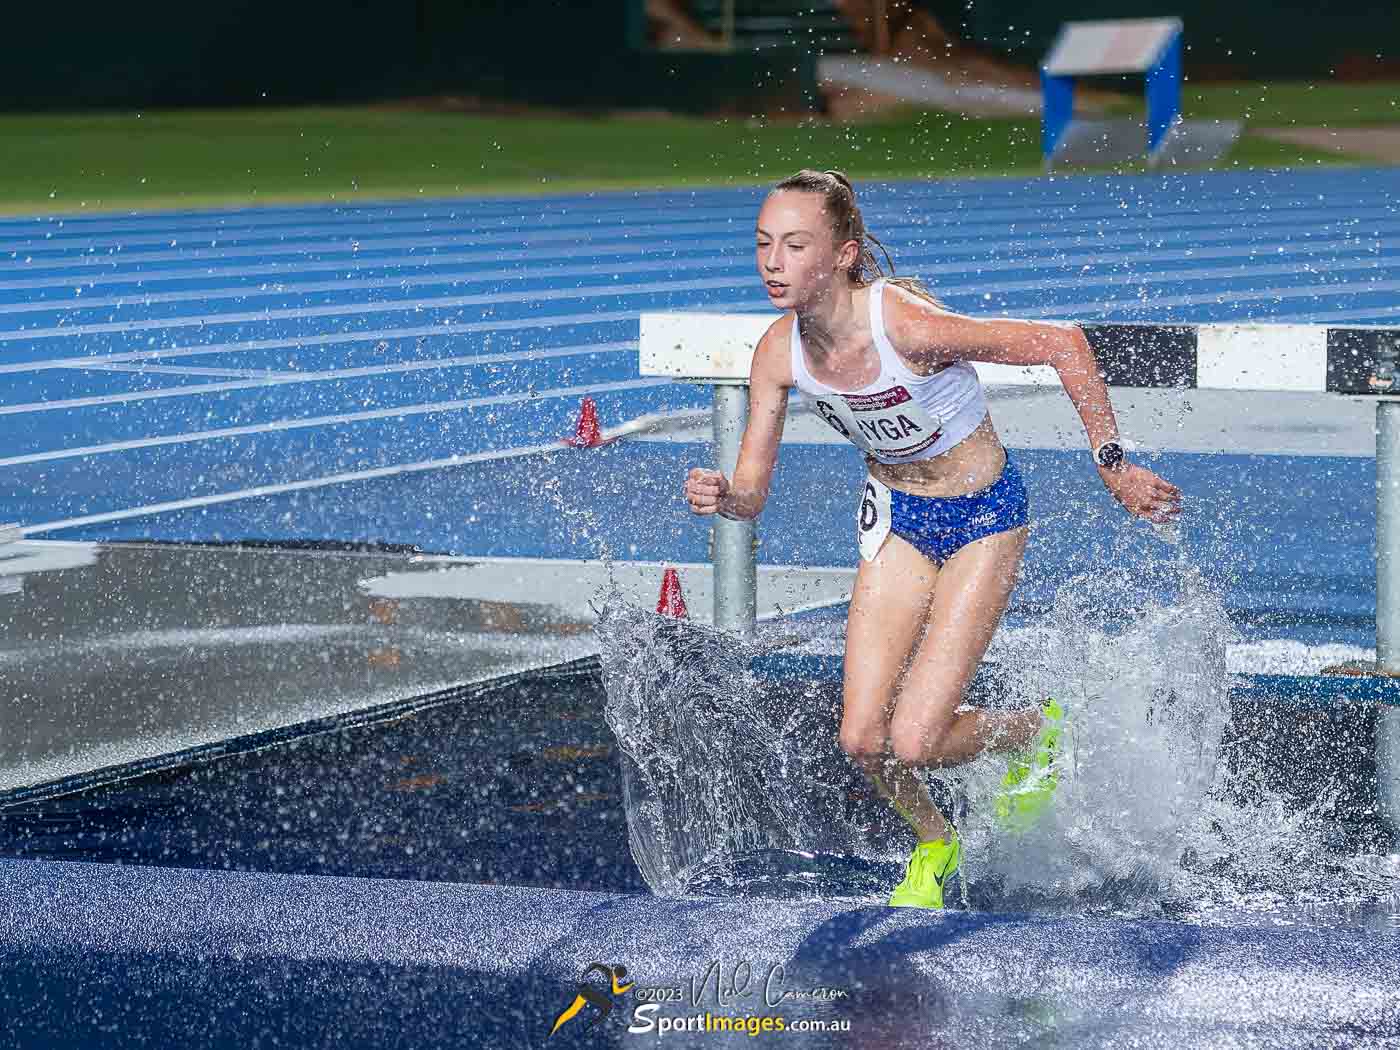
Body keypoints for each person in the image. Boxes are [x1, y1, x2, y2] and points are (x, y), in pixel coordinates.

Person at [683, 169, 1183, 909]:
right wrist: (726, 496)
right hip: (898, 519)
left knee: (916, 739)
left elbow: (1063, 342)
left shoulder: (907, 326)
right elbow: (753, 493)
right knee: (862, 739)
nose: (772, 263)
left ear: (844, 254)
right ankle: (935, 840)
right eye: (764, 245)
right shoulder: (777, 354)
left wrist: (1111, 463)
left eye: (794, 245)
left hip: (983, 516)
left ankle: (1032, 730)